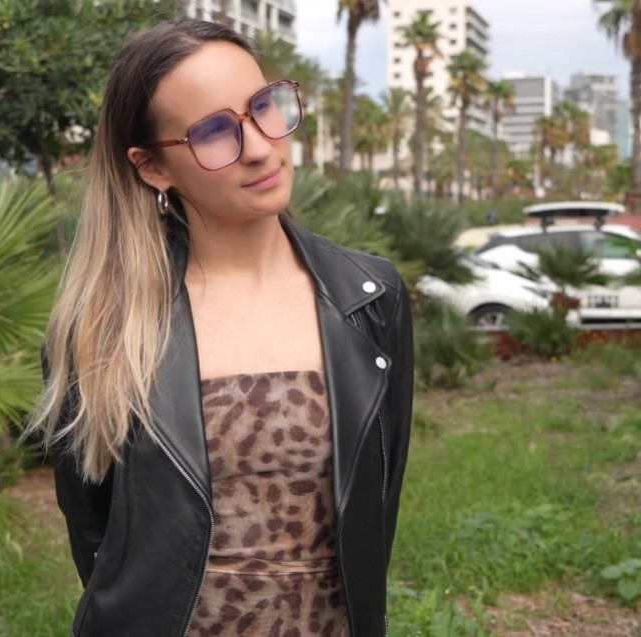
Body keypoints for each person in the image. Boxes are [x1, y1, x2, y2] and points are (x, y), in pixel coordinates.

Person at [30, 18, 413, 637]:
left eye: (264, 107)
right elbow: (98, 539)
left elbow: (377, 509)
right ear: (153, 167)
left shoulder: (369, 298)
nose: (259, 146)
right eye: (213, 132)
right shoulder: (103, 327)